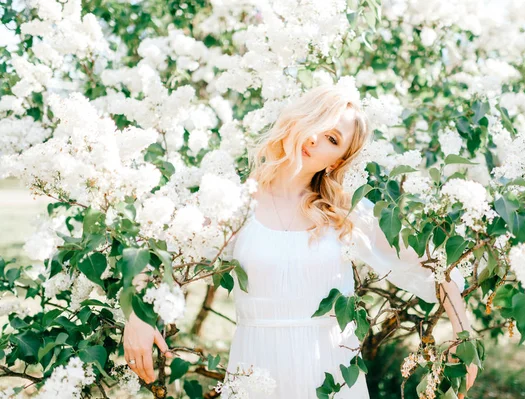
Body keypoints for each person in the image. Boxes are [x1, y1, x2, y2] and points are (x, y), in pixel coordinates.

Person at [123, 84, 477, 398]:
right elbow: (161, 250)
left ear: (338, 160)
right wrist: (138, 316)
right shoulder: (236, 200)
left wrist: (465, 337)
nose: (316, 139)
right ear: (298, 119)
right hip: (256, 367)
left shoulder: (345, 211)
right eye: (317, 124)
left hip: (331, 371)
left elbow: (431, 266)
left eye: (333, 140)